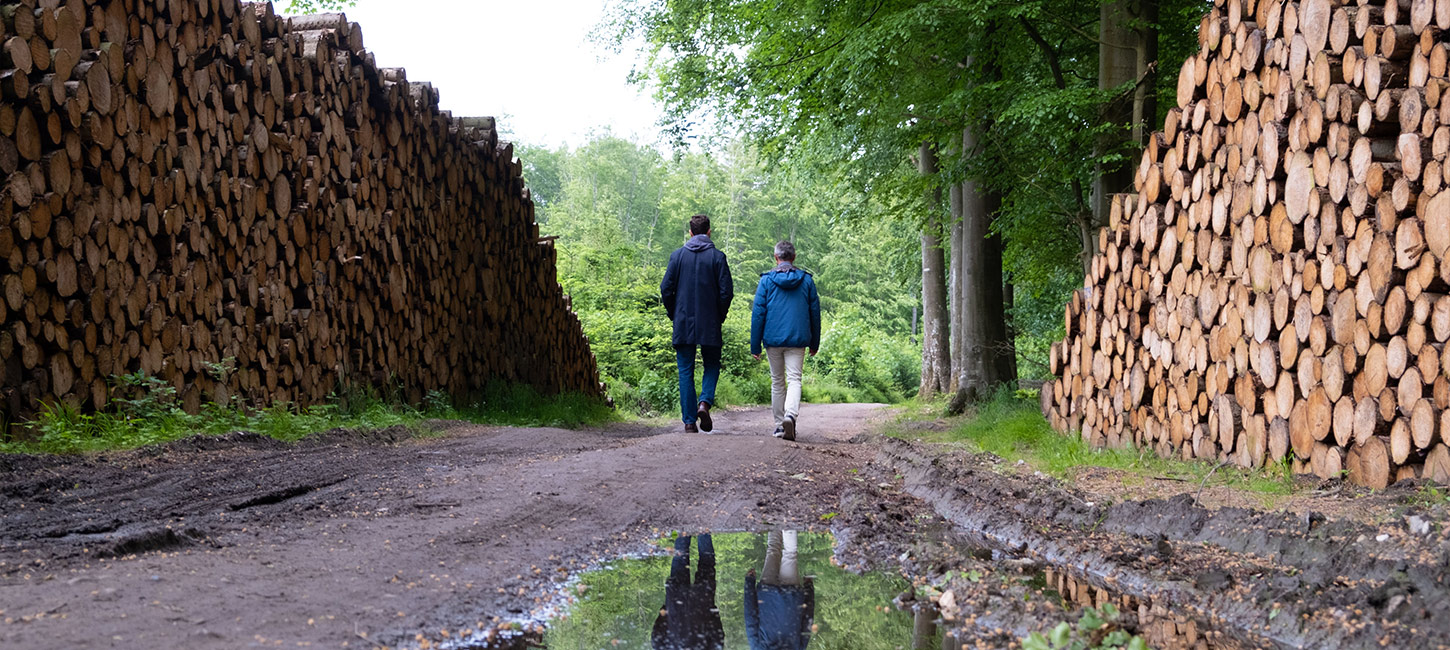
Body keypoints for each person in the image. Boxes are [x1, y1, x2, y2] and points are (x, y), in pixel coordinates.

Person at [660, 214, 734, 433]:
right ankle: (704, 402)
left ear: (690, 233)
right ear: (709, 232)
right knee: (711, 364)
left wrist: (674, 313)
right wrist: (719, 315)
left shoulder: (677, 256)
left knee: (685, 370)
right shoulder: (718, 257)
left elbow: (666, 289)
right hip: (710, 321)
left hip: (683, 321)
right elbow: (726, 292)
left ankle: (690, 422)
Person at [749, 241, 820, 440]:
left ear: (776, 257)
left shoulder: (767, 280)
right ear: (794, 257)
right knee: (795, 379)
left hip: (773, 339)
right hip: (798, 339)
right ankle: (791, 415)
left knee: (777, 382)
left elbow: (758, 314)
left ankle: (780, 425)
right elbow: (815, 313)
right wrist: (815, 342)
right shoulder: (806, 280)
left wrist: (755, 344)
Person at [652, 534, 724, 650]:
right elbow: (657, 634)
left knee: (706, 561)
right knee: (680, 559)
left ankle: (703, 527)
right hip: (676, 603)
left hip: (702, 604)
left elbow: (717, 634)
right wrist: (666, 609)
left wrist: (713, 612)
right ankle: (684, 526)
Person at [744, 530, 814, 650]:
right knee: (773, 550)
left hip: (791, 596)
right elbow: (750, 617)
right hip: (767, 594)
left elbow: (807, 620)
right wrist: (749, 584)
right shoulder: (757, 648)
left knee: (790, 554)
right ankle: (774, 518)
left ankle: (788, 522)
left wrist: (809, 591)